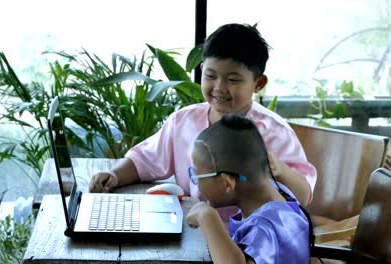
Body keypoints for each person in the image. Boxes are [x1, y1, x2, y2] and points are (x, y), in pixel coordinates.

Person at [89, 23, 316, 209]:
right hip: (194, 228)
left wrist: (277, 168)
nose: (219, 87)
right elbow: (144, 159)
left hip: (249, 241)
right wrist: (114, 175)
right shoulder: (183, 121)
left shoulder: (274, 131)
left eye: (233, 79)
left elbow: (303, 196)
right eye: (210, 75)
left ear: (258, 83)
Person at [186, 113, 312, 264]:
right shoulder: (281, 195)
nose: (196, 182)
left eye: (197, 175)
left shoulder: (266, 228)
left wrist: (207, 216)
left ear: (227, 183)